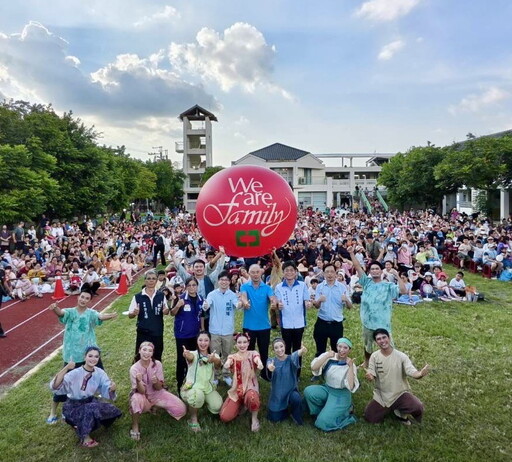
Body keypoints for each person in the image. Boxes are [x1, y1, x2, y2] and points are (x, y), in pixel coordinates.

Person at [47, 290, 118, 424]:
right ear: (78, 297)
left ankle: (103, 399)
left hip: (90, 355)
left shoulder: (91, 313)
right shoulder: (70, 312)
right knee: (62, 384)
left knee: (100, 377)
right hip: (72, 357)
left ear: (89, 301)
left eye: (87, 298)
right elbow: (61, 313)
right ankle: (53, 412)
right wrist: (55, 308)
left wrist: (111, 315)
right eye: (82, 297)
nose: (83, 300)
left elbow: (100, 316)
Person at [51, 346, 122, 448]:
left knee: (113, 411)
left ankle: (92, 423)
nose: (93, 359)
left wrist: (112, 389)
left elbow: (106, 388)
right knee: (91, 408)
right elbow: (56, 386)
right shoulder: (75, 373)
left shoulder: (99, 372)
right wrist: (66, 368)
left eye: (96, 356)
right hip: (73, 406)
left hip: (90, 401)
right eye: (90, 356)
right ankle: (85, 437)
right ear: (85, 357)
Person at [348, 246, 406, 368]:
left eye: (377, 268)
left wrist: (397, 276)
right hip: (368, 322)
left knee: (387, 345)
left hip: (383, 322)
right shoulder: (366, 282)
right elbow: (358, 266)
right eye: (372, 269)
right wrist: (352, 253)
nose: (374, 270)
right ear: (370, 272)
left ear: (381, 271)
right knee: (368, 344)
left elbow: (403, 290)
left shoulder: (388, 285)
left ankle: (391, 364)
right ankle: (367, 362)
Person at [364, 328, 430, 425]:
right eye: (379, 339)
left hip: (400, 394)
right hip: (382, 396)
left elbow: (411, 371)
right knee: (370, 417)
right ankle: (390, 408)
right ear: (375, 342)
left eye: (384, 337)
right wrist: (370, 376)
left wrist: (420, 374)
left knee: (417, 407)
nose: (382, 341)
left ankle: (401, 413)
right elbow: (371, 373)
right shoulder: (374, 356)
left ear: (389, 338)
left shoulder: (401, 356)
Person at [129, 341, 186, 440]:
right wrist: (138, 381)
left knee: (181, 409)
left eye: (150, 351)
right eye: (144, 350)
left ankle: (154, 406)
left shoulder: (157, 364)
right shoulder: (134, 369)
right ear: (139, 351)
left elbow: (159, 388)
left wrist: (156, 382)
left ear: (153, 353)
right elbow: (141, 391)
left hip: (157, 394)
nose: (147, 353)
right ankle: (135, 426)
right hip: (142, 396)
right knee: (136, 400)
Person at [304, 337, 359, 431]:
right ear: (336, 346)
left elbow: (350, 386)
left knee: (321, 423)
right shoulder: (329, 356)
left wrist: (350, 367)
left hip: (340, 395)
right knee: (309, 391)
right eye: (340, 346)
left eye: (345, 348)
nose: (342, 350)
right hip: (327, 388)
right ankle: (323, 411)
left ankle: (346, 413)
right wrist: (326, 356)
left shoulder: (350, 364)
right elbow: (314, 367)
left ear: (349, 350)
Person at [239, 264, 277, 381]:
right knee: (248, 352)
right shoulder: (245, 287)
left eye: (257, 272)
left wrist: (274, 303)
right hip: (249, 326)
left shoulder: (267, 288)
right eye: (253, 272)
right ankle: (249, 373)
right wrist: (245, 303)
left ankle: (265, 373)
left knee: (264, 351)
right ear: (249, 273)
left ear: (261, 273)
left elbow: (272, 298)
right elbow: (243, 297)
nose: (255, 274)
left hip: (264, 326)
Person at [219, 332, 264, 432]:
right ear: (236, 344)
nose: (242, 345)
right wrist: (226, 364)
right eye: (239, 342)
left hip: (250, 387)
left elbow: (257, 359)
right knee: (224, 417)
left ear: (248, 343)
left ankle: (254, 418)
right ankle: (242, 405)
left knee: (252, 397)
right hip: (236, 390)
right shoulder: (233, 356)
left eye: (244, 342)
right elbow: (228, 362)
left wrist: (259, 363)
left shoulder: (253, 354)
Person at [274, 261, 312, 375]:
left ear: (296, 272)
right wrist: (278, 305)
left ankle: (297, 372)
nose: (289, 272)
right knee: (286, 349)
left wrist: (308, 304)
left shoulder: (302, 285)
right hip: (286, 323)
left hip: (299, 322)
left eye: (292, 270)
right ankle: (286, 371)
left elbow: (307, 300)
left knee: (297, 348)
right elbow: (277, 303)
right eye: (286, 270)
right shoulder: (279, 287)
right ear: (283, 273)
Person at [204, 270, 241, 385]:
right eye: (222, 280)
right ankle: (215, 376)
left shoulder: (232, 295)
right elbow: (207, 304)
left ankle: (226, 374)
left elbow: (237, 305)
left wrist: (240, 303)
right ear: (218, 281)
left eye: (226, 280)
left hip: (228, 330)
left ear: (230, 282)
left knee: (227, 354)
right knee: (215, 355)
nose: (224, 282)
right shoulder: (212, 294)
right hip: (214, 330)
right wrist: (206, 305)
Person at [181, 332, 223, 432]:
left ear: (209, 342)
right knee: (197, 396)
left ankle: (202, 402)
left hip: (208, 389)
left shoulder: (214, 355)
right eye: (200, 340)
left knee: (217, 406)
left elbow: (218, 365)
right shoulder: (193, 354)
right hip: (192, 388)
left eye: (206, 340)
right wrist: (186, 354)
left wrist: (214, 360)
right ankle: (193, 419)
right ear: (197, 341)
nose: (203, 343)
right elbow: (190, 358)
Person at [312, 263, 353, 361]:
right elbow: (317, 306)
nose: (329, 274)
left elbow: (350, 307)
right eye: (327, 272)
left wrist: (346, 300)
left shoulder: (342, 287)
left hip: (336, 324)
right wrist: (318, 301)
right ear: (324, 274)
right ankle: (319, 370)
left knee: (336, 349)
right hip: (322, 321)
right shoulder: (320, 287)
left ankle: (335, 370)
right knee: (320, 350)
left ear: (336, 273)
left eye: (332, 272)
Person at [171, 276, 204, 390]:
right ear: (185, 287)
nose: (191, 287)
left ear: (197, 286)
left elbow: (202, 315)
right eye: (189, 285)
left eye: (194, 285)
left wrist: (202, 330)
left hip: (195, 335)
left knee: (194, 358)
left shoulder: (201, 299)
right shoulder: (180, 298)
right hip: (182, 335)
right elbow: (172, 313)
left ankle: (193, 381)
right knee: (182, 360)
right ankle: (180, 383)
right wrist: (177, 305)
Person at [128, 269, 169, 362]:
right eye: (149, 278)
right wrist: (134, 313)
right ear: (145, 280)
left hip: (157, 330)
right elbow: (130, 315)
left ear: (156, 280)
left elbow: (165, 310)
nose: (151, 280)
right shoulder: (137, 297)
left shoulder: (161, 295)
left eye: (153, 279)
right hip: (143, 331)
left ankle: (155, 374)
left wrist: (166, 311)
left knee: (157, 354)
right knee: (140, 355)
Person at [266, 338, 307, 425]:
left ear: (285, 346)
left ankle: (295, 413)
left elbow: (297, 354)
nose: (279, 349)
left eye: (281, 346)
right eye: (276, 348)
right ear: (273, 350)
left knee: (296, 399)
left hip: (290, 391)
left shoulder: (291, 359)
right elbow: (269, 364)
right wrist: (270, 367)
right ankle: (285, 409)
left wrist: (302, 350)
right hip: (278, 395)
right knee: (274, 418)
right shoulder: (271, 360)